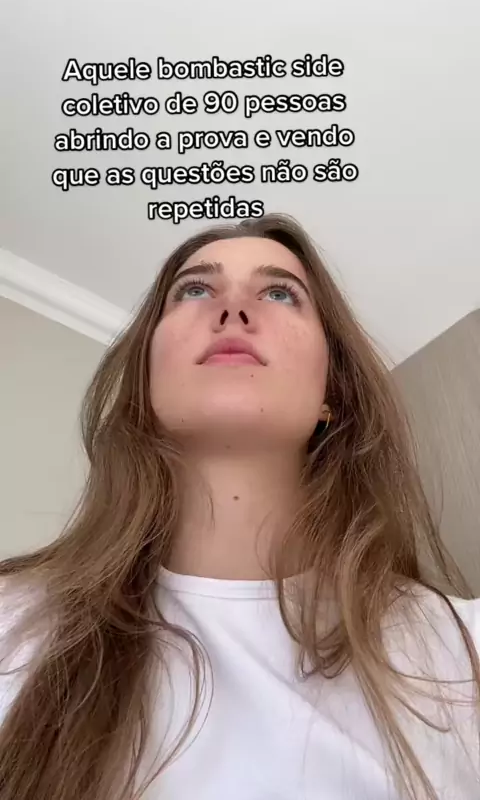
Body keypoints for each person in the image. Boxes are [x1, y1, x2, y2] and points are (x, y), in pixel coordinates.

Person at [0, 214, 478, 800]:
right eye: (195, 289)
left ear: (331, 395)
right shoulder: (13, 624)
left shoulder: (460, 650)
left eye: (279, 293)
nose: (233, 309)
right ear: (145, 382)